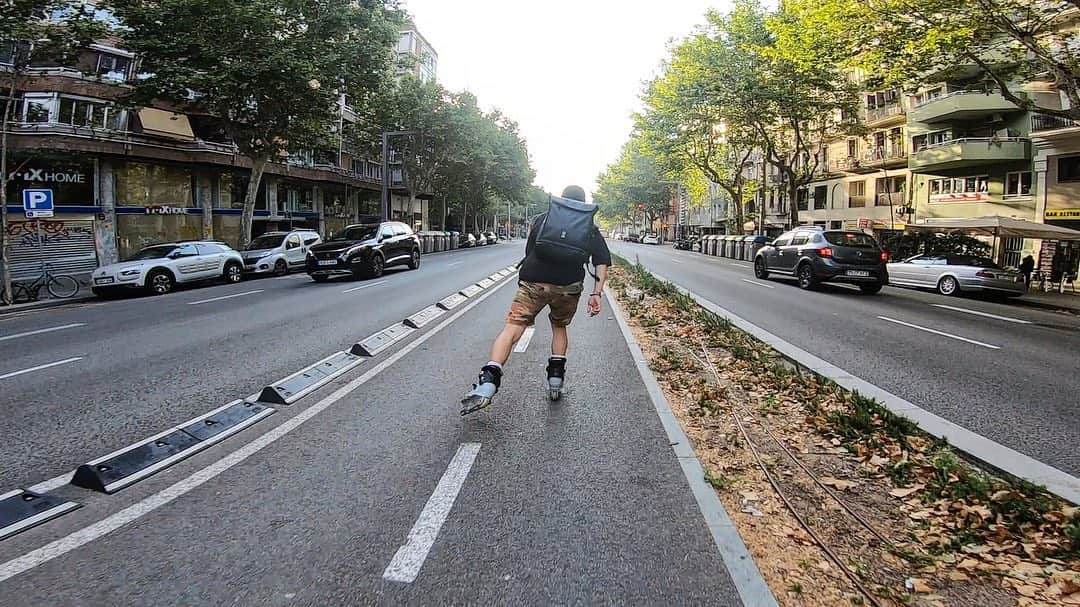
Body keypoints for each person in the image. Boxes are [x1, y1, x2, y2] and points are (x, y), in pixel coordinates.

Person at [460, 185, 611, 415]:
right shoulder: (589, 227)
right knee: (559, 326)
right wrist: (596, 293)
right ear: (583, 203)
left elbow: (530, 250)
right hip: (568, 286)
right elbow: (602, 262)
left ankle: (489, 382)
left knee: (513, 328)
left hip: (534, 281)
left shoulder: (544, 218)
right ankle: (555, 379)